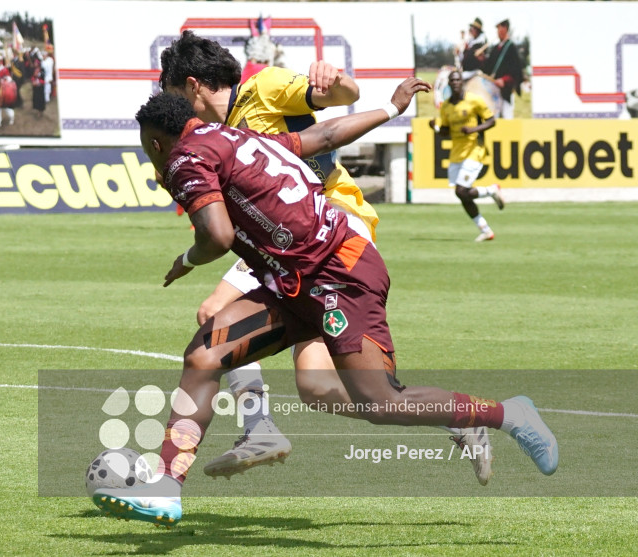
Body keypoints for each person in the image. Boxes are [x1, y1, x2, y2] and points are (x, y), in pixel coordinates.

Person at [92, 86, 559, 526]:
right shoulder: (237, 136)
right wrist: (391, 110)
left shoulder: (183, 157)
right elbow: (322, 137)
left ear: (155, 142)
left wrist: (187, 259)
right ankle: (167, 488)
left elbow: (218, 236)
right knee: (204, 354)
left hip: (340, 273)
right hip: (292, 280)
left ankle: (508, 414)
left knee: (380, 402)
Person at [158, 31, 493, 485]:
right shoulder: (211, 137)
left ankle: (256, 431)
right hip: (290, 243)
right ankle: (456, 417)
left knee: (213, 311)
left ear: (192, 84)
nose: (174, 110)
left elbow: (339, 99)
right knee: (316, 387)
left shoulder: (264, 87)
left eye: (173, 93)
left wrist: (334, 80)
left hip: (328, 225)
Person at [429, 70, 505, 242]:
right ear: (449, 84)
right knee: (461, 194)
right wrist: (435, 128)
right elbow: (446, 131)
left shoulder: (474, 100)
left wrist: (473, 130)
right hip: (457, 152)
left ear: (462, 82)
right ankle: (485, 229)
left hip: (474, 149)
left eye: (458, 80)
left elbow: (491, 121)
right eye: (452, 81)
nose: (455, 83)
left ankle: (492, 190)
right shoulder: (447, 106)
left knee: (461, 190)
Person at [484, 19, 523, 119]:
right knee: (494, 117)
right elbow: (488, 66)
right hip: (494, 89)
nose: (498, 31)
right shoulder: (496, 47)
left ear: (505, 28)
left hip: (506, 90)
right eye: (497, 29)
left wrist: (504, 80)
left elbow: (516, 70)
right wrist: (481, 59)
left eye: (500, 28)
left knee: (507, 116)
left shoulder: (511, 47)